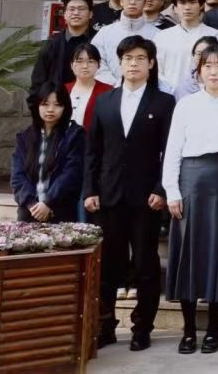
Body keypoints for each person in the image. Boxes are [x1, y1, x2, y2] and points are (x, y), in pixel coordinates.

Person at [83, 35, 175, 351]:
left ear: (151, 63)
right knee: (108, 265)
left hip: (146, 198)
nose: (133, 64)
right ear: (119, 64)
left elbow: (170, 151)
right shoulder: (105, 101)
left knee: (146, 264)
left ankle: (142, 328)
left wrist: (161, 188)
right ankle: (106, 326)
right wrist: (90, 189)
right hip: (108, 196)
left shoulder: (163, 103)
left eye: (139, 58)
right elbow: (93, 151)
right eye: (127, 58)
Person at [162, 39, 218, 355]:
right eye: (207, 66)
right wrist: (172, 191)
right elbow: (173, 150)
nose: (213, 72)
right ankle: (189, 330)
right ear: (198, 71)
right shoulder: (186, 105)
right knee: (188, 255)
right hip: (191, 183)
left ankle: (213, 330)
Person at [12, 82, 85, 223]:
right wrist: (32, 205)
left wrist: (48, 202)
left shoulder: (74, 135)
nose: (51, 109)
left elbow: (71, 174)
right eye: (45, 104)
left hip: (61, 212)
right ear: (37, 106)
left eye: (57, 105)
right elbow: (17, 177)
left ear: (65, 107)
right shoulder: (25, 137)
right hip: (29, 212)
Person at [155, 0, 218, 96]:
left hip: (204, 96)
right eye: (182, 2)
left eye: (192, 2)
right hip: (168, 95)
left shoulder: (215, 35)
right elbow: (157, 70)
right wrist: (168, 90)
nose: (187, 7)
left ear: (202, 5)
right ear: (175, 7)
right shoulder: (161, 36)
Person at [29, 0, 95, 101]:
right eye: (71, 9)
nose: (76, 13)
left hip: (91, 102)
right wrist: (37, 105)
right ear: (65, 14)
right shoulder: (51, 44)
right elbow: (38, 81)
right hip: (57, 104)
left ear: (91, 14)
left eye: (81, 9)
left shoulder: (100, 40)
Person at [93, 0, 159, 83]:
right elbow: (96, 61)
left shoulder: (157, 34)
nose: (132, 2)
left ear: (145, 2)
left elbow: (161, 65)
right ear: (121, 1)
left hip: (147, 88)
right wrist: (116, 85)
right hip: (110, 88)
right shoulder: (105, 32)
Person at [65, 43, 111, 132]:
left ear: (99, 64)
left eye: (90, 61)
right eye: (79, 61)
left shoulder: (108, 92)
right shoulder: (62, 90)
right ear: (71, 64)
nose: (85, 66)